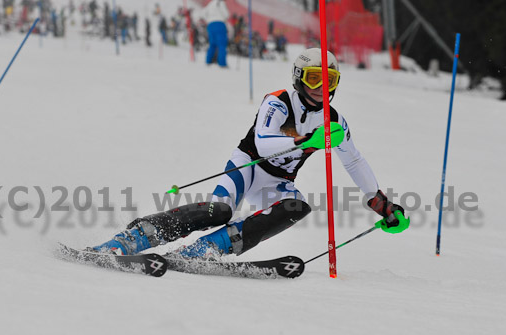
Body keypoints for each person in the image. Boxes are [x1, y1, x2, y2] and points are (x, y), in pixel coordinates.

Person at [91, 48, 409, 258]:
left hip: (278, 180)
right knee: (220, 211)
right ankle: (138, 236)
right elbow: (265, 141)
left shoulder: (335, 121)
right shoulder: (278, 101)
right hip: (249, 165)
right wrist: (307, 141)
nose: (320, 88)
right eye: (313, 79)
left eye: (329, 80)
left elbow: (353, 160)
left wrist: (379, 203)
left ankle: (206, 250)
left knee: (297, 207)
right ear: (300, 78)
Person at [201, 0, 229, 67]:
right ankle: (222, 64)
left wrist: (208, 19)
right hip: (219, 23)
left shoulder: (210, 3)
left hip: (210, 25)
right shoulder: (220, 2)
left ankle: (208, 61)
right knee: (222, 44)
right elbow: (226, 14)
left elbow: (203, 13)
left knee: (212, 44)